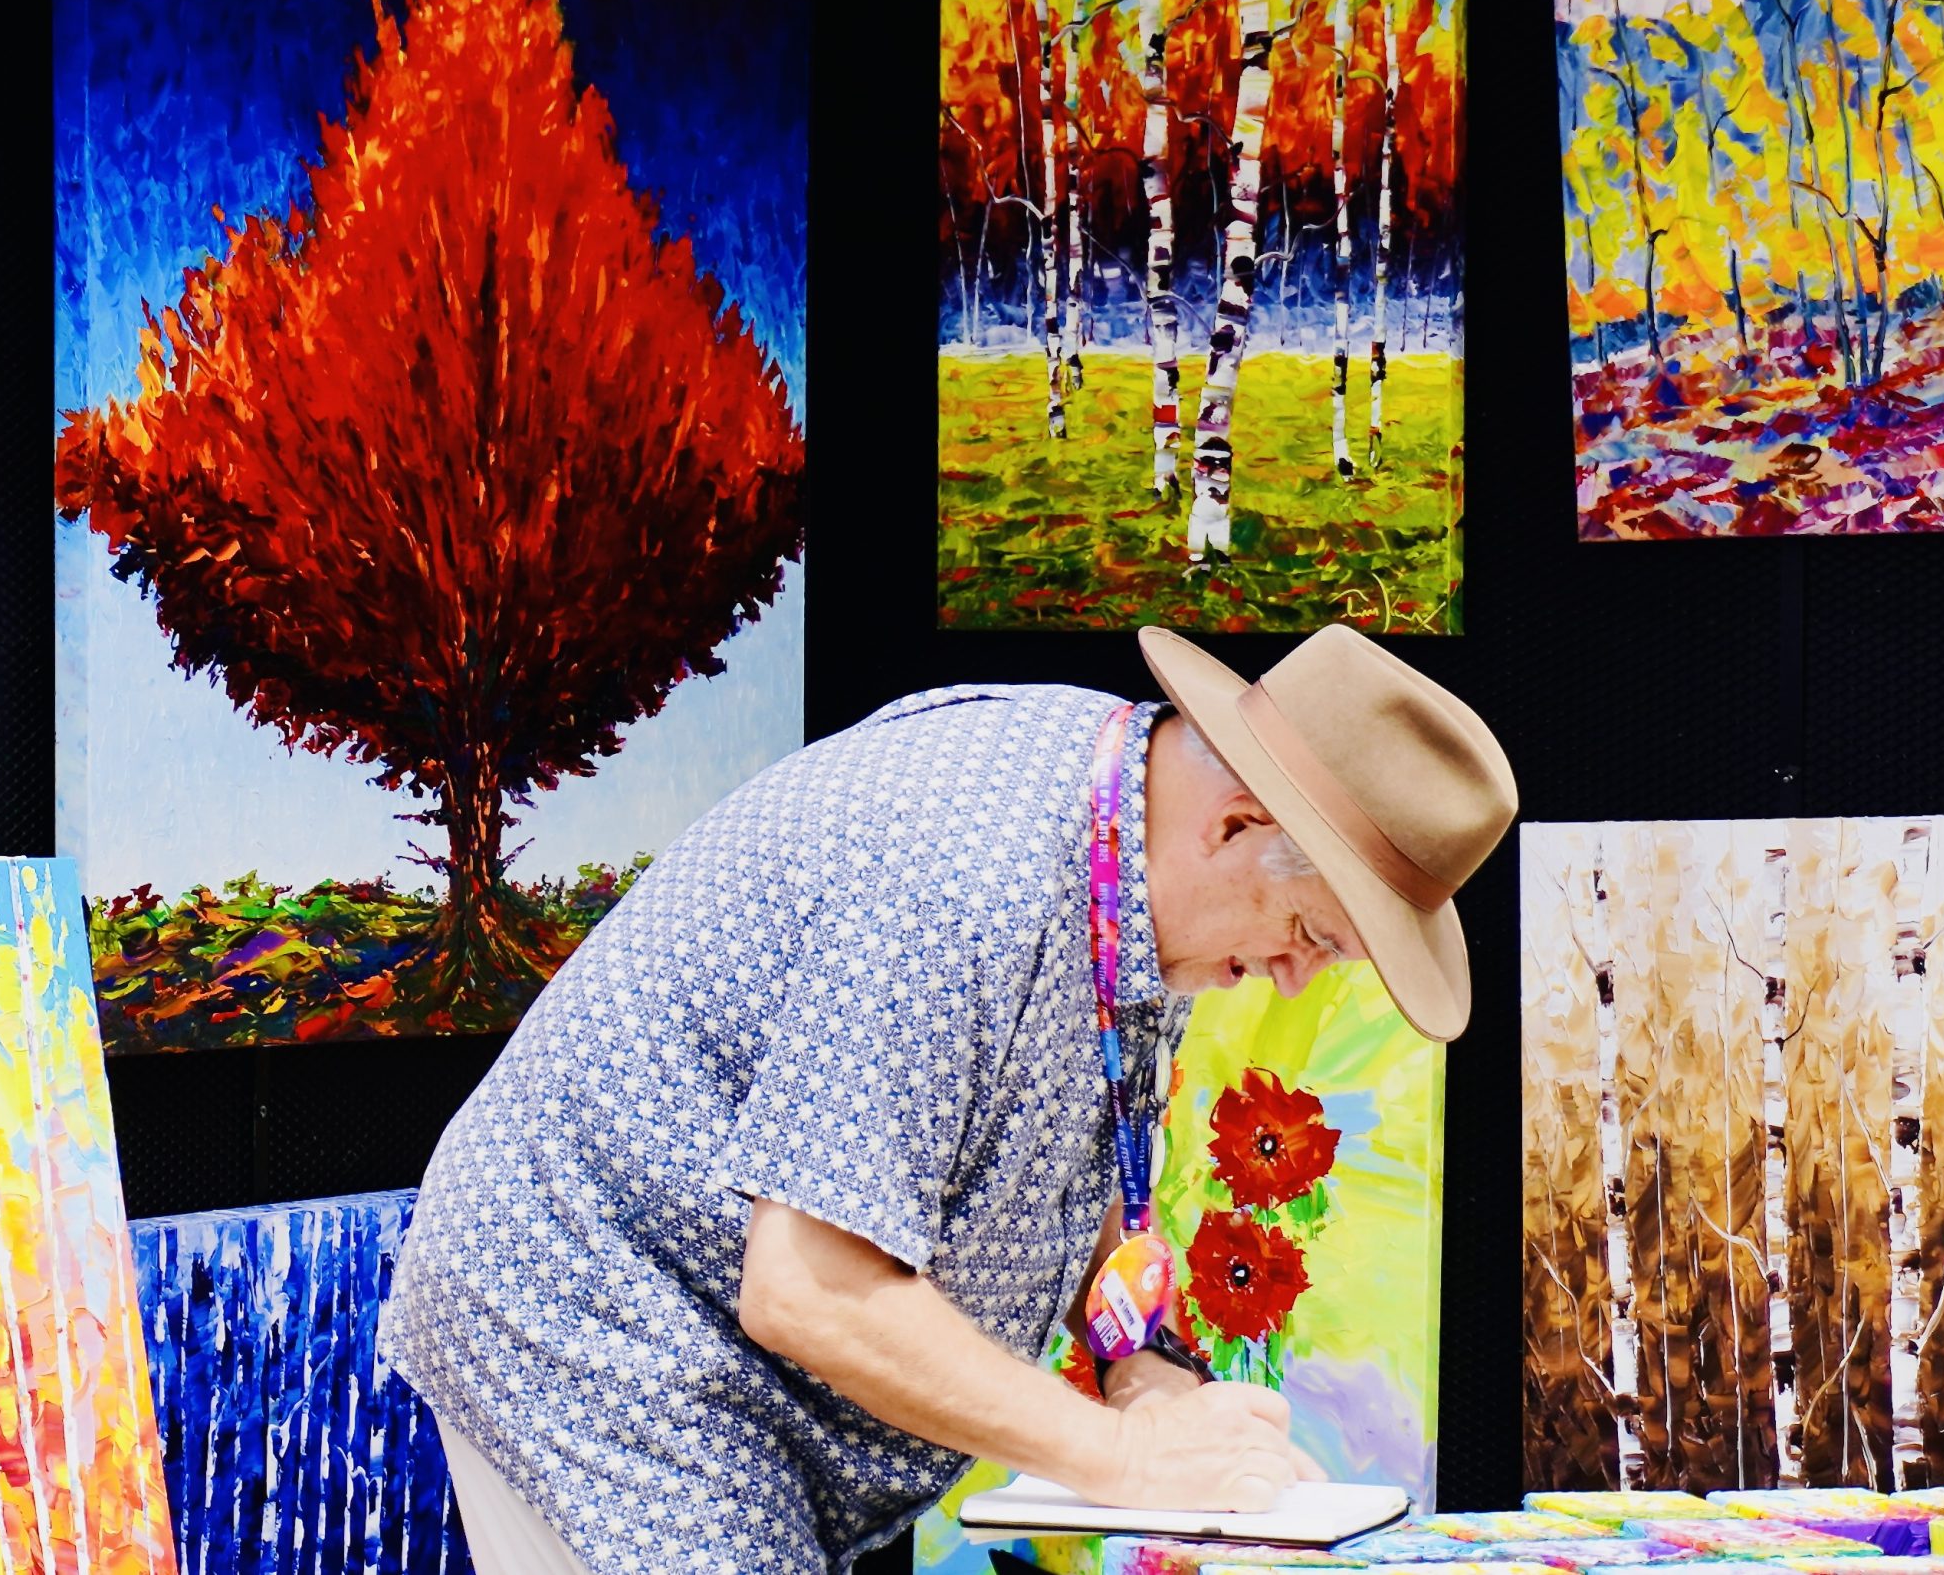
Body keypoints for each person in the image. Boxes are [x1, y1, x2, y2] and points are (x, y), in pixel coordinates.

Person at [382, 622, 1517, 1574]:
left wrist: (1148, 1376)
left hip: (729, 1355)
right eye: (1313, 934)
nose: (1293, 975)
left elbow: (1082, 1165)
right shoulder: (955, 878)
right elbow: (811, 1287)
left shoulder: (1134, 849)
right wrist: (1122, 1461)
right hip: (601, 1322)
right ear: (1236, 827)